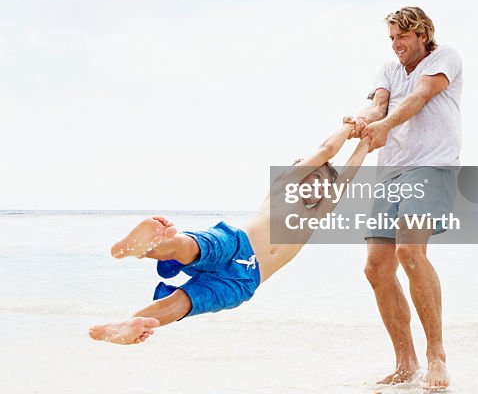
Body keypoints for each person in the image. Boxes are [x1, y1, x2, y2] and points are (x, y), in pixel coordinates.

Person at [89, 123, 368, 345]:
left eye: (324, 186)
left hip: (244, 282)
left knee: (185, 302)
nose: (319, 188)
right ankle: (145, 245)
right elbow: (328, 148)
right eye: (315, 177)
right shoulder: (285, 184)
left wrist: (365, 145)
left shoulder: (314, 216)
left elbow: (347, 178)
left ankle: (128, 324)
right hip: (237, 243)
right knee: (192, 247)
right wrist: (349, 126)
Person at [345, 6, 463, 390]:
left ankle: (436, 356)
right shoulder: (389, 69)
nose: (397, 45)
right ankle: (405, 362)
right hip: (391, 171)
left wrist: (382, 125)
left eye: (403, 37)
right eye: (392, 38)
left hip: (432, 166)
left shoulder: (445, 58)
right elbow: (380, 104)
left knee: (410, 252)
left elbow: (419, 99)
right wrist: (362, 119)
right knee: (376, 267)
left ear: (422, 35)